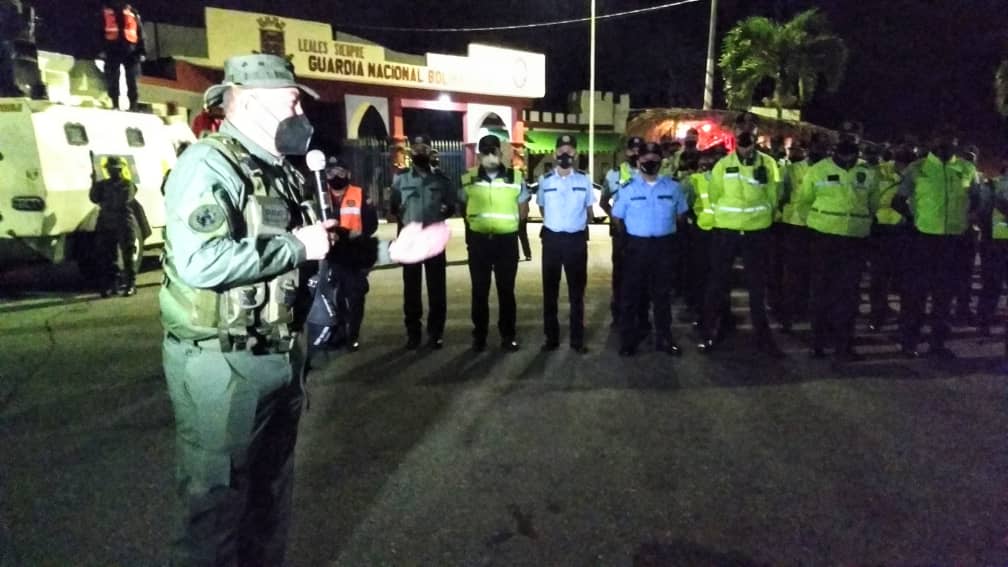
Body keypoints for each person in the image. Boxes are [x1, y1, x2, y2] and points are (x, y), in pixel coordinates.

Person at [159, 53, 334, 566]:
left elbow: (316, 249)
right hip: (222, 366)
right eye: (293, 101)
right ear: (253, 103)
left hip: (279, 357)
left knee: (268, 502)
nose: (301, 113)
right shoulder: (208, 164)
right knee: (215, 511)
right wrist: (296, 247)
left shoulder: (281, 172)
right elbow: (199, 261)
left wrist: (391, 251)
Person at [697, 112, 784, 357]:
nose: (745, 132)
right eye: (741, 128)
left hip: (757, 232)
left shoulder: (769, 164)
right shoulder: (723, 165)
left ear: (756, 134)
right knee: (717, 284)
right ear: (734, 133)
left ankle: (764, 339)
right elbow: (715, 196)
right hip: (727, 231)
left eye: (750, 128)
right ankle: (710, 333)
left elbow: (774, 195)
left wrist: (762, 217)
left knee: (757, 287)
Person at [892, 128, 982, 358]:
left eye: (950, 143)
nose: (945, 147)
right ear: (932, 143)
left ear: (956, 144)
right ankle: (909, 341)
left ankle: (938, 344)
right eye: (940, 142)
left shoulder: (967, 168)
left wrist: (968, 220)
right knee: (916, 295)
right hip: (923, 239)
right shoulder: (917, 168)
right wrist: (914, 220)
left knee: (945, 295)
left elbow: (977, 199)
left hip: (953, 241)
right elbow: (898, 200)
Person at [797, 128, 879, 362]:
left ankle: (844, 346)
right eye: (845, 138)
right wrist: (816, 224)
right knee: (821, 292)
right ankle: (817, 344)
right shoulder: (819, 169)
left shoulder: (867, 171)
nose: (848, 142)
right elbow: (804, 202)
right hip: (824, 238)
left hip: (854, 240)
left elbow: (872, 204)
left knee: (849, 295)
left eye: (853, 139)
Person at [610, 142, 688, 356]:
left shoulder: (673, 187)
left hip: (664, 247)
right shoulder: (628, 188)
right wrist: (629, 238)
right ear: (638, 161)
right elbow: (617, 216)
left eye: (655, 157)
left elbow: (681, 214)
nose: (650, 161)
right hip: (637, 247)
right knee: (631, 296)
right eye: (646, 158)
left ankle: (664, 338)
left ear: (661, 161)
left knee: (662, 296)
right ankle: (628, 340)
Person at [460, 134, 530, 352]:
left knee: (506, 291)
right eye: (486, 151)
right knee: (479, 292)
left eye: (494, 150)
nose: (490, 155)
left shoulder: (515, 177)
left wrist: (509, 226)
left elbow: (523, 209)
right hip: (479, 243)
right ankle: (479, 337)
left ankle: (508, 336)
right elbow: (463, 205)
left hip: (506, 243)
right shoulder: (468, 178)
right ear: (479, 155)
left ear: (501, 153)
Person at [390, 134, 457, 349]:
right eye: (416, 148)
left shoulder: (441, 180)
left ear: (430, 152)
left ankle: (436, 333)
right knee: (411, 290)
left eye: (424, 149)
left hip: (433, 240)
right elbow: (394, 207)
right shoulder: (400, 179)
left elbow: (451, 205)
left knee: (437, 290)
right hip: (410, 241)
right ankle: (413, 334)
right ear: (411, 151)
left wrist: (441, 215)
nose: (420, 152)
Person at [536, 134, 595, 353]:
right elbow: (542, 207)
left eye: (569, 151)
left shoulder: (584, 180)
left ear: (575, 154)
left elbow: (589, 211)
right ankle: (551, 338)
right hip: (552, 240)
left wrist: (573, 224)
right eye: (561, 151)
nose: (565, 155)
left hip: (575, 241)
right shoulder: (545, 181)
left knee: (576, 294)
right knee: (550, 292)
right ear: (555, 154)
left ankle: (577, 340)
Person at [324, 157, 379, 352]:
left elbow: (371, 224)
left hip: (355, 254)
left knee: (356, 297)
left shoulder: (359, 194)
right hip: (330, 255)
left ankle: (352, 335)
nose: (335, 176)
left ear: (348, 174)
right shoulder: (320, 196)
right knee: (334, 297)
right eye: (331, 172)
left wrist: (352, 234)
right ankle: (338, 332)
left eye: (340, 171)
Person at [867, 142, 915, 331]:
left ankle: (904, 317)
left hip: (905, 229)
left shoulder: (916, 174)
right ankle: (877, 315)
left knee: (904, 277)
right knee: (879, 276)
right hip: (881, 229)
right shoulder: (880, 172)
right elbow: (871, 197)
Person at [772, 138, 815, 332]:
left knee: (808, 271)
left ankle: (803, 306)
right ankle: (788, 311)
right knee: (792, 271)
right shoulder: (789, 170)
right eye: (793, 149)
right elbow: (781, 196)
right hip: (793, 225)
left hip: (816, 225)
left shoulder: (822, 169)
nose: (795, 152)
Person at [602, 136, 643, 327]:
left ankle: (641, 316)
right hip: (621, 232)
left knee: (642, 275)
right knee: (620, 274)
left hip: (643, 231)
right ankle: (618, 314)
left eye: (639, 150)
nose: (635, 153)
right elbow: (604, 201)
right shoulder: (614, 174)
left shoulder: (650, 173)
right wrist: (615, 218)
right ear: (626, 152)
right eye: (632, 149)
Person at [89, 156, 138, 297]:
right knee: (108, 256)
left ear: (120, 169)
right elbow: (94, 198)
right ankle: (112, 284)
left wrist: (106, 201)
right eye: (110, 169)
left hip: (123, 222)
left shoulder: (127, 184)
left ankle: (130, 284)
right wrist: (93, 183)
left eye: (115, 169)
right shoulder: (103, 185)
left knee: (127, 254)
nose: (112, 171)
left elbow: (123, 200)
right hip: (106, 223)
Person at [976, 160, 1008, 335]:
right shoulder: (994, 185)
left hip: (994, 240)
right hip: (997, 241)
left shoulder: (991, 185)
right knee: (992, 285)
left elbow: (982, 213)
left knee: (991, 285)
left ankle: (984, 322)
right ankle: (984, 321)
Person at [99, 1, 145, 110]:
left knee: (132, 79)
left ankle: (133, 106)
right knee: (113, 78)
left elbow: (140, 32)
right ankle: (115, 104)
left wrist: (142, 51)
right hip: (112, 49)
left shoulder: (133, 13)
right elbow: (99, 32)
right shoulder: (105, 12)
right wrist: (101, 50)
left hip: (131, 50)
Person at [0, 0, 24, 96]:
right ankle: (8, 89)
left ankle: (8, 89)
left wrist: (19, 10)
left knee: (7, 64)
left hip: (6, 39)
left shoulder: (12, 5)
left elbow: (17, 27)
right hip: (5, 39)